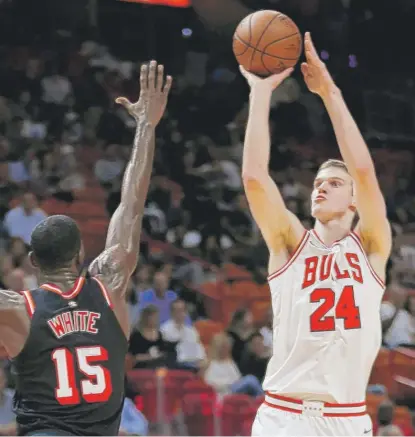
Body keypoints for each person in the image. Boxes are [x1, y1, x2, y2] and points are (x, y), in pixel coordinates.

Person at [0, 60, 172, 436]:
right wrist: (146, 126)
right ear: (81, 255)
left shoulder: (15, 309)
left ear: (32, 261)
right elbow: (131, 204)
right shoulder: (109, 287)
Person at [241, 33, 391, 436]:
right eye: (318, 182)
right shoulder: (290, 242)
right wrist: (259, 93)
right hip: (282, 415)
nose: (320, 187)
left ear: (355, 201)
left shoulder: (372, 245)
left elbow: (363, 171)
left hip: (345, 418)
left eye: (333, 183)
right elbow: (254, 178)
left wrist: (329, 93)